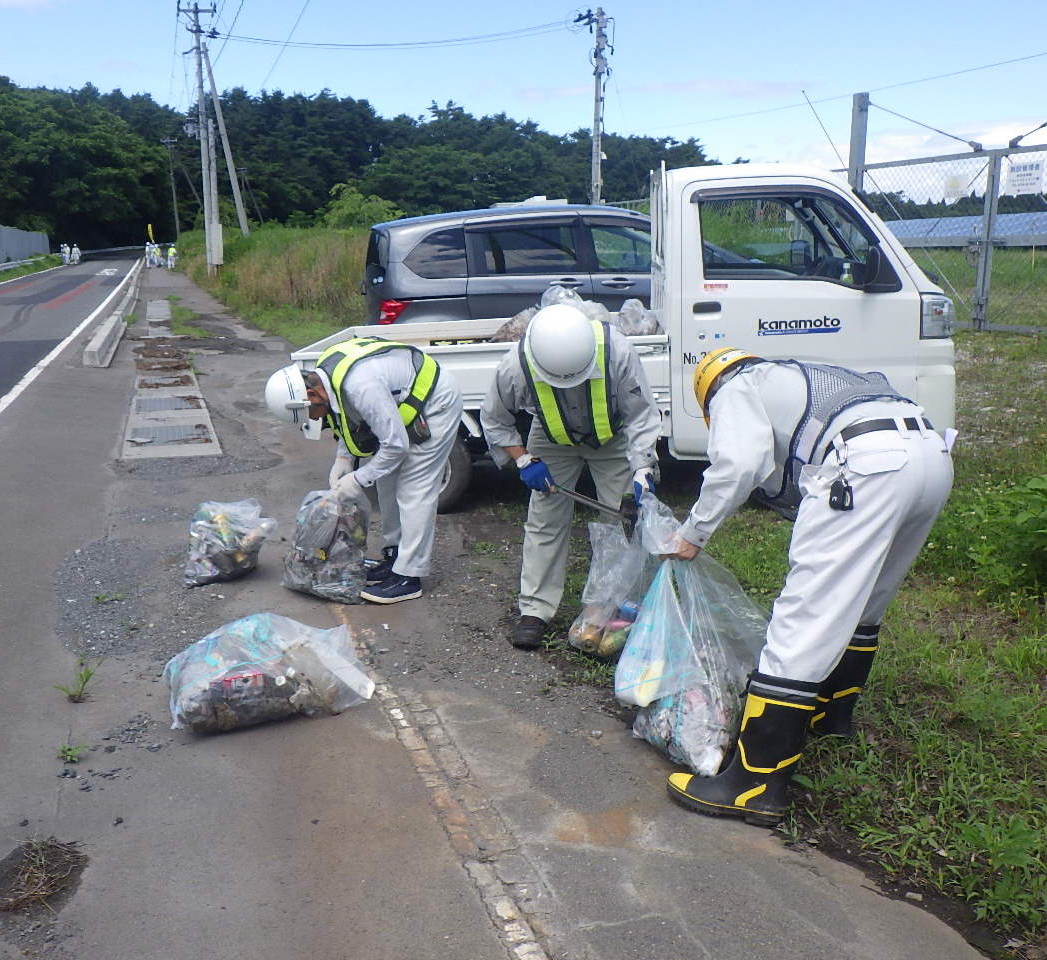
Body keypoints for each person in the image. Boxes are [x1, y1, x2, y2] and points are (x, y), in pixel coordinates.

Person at [664, 348, 953, 826]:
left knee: (804, 619)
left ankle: (751, 785)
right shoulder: (802, 373)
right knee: (866, 601)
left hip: (866, 464)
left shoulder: (735, 386)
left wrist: (694, 533)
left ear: (707, 396)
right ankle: (830, 719)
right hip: (931, 455)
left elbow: (737, 465)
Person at [480, 302, 661, 650]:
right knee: (545, 520)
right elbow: (495, 420)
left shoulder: (617, 353)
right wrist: (523, 460)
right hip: (551, 437)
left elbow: (641, 416)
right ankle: (535, 610)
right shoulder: (516, 366)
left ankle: (612, 608)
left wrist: (642, 468)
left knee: (622, 519)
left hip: (613, 437)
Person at [264, 337, 463, 604]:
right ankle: (395, 556)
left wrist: (357, 480)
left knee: (414, 489)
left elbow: (396, 446)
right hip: (403, 404)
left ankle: (409, 577)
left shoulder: (361, 386)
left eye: (311, 413)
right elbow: (347, 417)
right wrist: (344, 459)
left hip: (434, 403)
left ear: (311, 395)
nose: (314, 419)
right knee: (386, 482)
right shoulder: (325, 376)